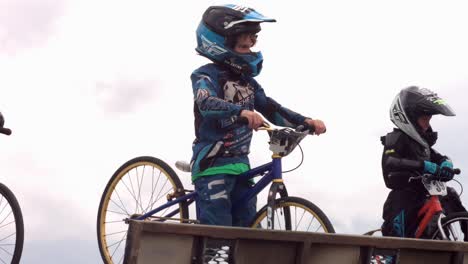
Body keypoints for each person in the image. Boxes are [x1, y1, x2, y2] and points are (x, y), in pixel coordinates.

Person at [190, 4, 326, 227]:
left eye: (252, 43)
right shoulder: (205, 74)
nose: (251, 49)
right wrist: (240, 112)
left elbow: (272, 109)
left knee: (248, 230)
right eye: (244, 45)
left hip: (242, 168)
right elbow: (205, 102)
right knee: (219, 231)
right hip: (212, 165)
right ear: (220, 43)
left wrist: (305, 122)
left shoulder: (249, 84)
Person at [380, 86, 466, 238]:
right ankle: (386, 255)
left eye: (429, 120)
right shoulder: (397, 139)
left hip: (423, 193)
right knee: (397, 234)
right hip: (404, 196)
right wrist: (424, 166)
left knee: (450, 195)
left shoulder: (422, 144)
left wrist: (446, 163)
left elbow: (437, 156)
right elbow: (390, 162)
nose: (427, 124)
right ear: (410, 118)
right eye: (424, 119)